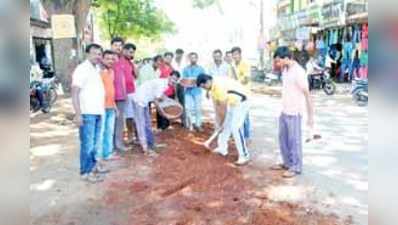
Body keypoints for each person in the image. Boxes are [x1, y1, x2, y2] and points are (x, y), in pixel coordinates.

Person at [271, 46, 315, 178]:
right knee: (283, 138)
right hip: (284, 110)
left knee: (294, 140)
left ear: (286, 58)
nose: (277, 63)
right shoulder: (285, 70)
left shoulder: (299, 72)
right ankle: (287, 162)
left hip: (295, 112)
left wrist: (310, 117)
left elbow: (307, 94)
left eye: (279, 60)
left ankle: (296, 167)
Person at [197, 74, 251, 165]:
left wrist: (221, 123)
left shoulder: (218, 87)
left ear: (207, 81)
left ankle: (244, 155)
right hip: (232, 102)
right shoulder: (212, 88)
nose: (204, 89)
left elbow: (223, 109)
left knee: (235, 128)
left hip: (242, 102)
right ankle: (222, 148)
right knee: (225, 125)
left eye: (204, 87)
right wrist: (219, 124)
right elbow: (217, 107)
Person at [71, 43, 105, 183]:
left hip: (98, 111)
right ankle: (86, 172)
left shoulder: (95, 68)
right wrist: (78, 114)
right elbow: (75, 92)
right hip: (87, 113)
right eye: (94, 53)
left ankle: (93, 167)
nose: (97, 56)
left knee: (96, 143)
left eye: (99, 54)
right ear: (87, 53)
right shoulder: (82, 69)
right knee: (87, 144)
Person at [132, 72, 180, 154]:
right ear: (169, 76)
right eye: (173, 79)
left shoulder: (165, 84)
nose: (174, 81)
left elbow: (162, 96)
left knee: (147, 123)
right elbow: (156, 102)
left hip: (145, 100)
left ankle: (151, 143)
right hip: (139, 99)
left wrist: (173, 102)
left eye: (176, 80)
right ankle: (145, 147)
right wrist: (164, 114)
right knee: (141, 123)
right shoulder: (161, 84)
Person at [97, 50, 119, 167]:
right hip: (101, 107)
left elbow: (111, 90)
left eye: (112, 59)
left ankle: (107, 153)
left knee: (109, 131)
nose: (110, 61)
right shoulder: (98, 72)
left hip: (111, 106)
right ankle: (99, 156)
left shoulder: (111, 71)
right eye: (108, 58)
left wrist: (115, 106)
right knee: (101, 132)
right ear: (102, 59)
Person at [111, 37, 128, 152]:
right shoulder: (107, 59)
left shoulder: (123, 60)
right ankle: (110, 146)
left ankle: (119, 144)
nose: (118, 47)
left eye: (120, 45)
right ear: (111, 46)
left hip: (121, 96)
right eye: (116, 45)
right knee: (110, 122)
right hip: (110, 97)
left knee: (120, 121)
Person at [231, 47, 251, 141]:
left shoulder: (245, 64)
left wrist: (237, 82)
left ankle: (247, 136)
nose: (235, 56)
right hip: (235, 93)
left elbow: (246, 79)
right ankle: (239, 134)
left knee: (245, 116)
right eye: (233, 54)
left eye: (236, 54)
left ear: (240, 54)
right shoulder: (232, 65)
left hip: (244, 93)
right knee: (237, 114)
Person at [182, 52, 205, 132]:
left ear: (197, 58)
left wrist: (197, 82)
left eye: (194, 57)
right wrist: (187, 82)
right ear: (189, 59)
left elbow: (204, 80)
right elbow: (183, 80)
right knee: (188, 108)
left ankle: (198, 125)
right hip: (188, 91)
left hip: (197, 91)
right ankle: (190, 124)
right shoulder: (185, 69)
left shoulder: (201, 69)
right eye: (191, 58)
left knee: (198, 109)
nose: (193, 59)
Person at [121, 43, 138, 146]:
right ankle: (130, 136)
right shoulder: (118, 61)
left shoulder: (130, 63)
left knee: (133, 115)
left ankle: (136, 136)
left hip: (133, 92)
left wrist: (133, 63)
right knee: (128, 116)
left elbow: (136, 75)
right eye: (130, 52)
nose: (132, 54)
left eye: (133, 52)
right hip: (124, 93)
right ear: (124, 51)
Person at [172, 49, 187, 128]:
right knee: (172, 102)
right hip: (172, 84)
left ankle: (184, 122)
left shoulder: (185, 63)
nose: (179, 55)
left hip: (181, 84)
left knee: (182, 103)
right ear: (176, 54)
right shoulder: (172, 62)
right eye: (178, 54)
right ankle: (170, 121)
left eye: (181, 54)